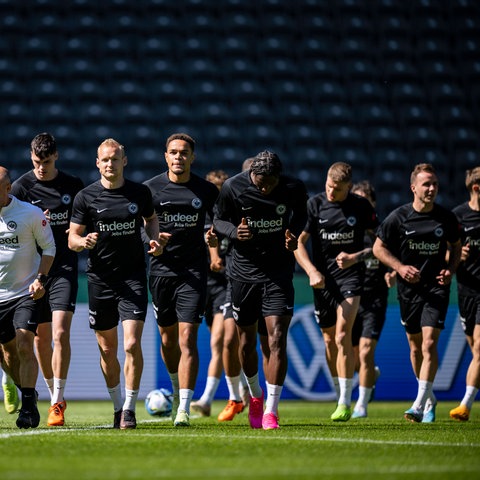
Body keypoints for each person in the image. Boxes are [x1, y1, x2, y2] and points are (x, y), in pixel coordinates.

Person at [68, 138, 162, 429]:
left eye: (115, 159)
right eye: (105, 160)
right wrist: (84, 241)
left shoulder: (140, 193)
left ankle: (131, 410)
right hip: (100, 279)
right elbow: (71, 239)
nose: (110, 164)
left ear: (125, 161)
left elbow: (151, 220)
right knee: (108, 350)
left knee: (132, 344)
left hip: (132, 277)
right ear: (98, 163)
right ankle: (118, 405)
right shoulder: (85, 197)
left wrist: (154, 240)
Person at [213, 150, 308, 430]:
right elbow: (218, 220)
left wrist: (293, 235)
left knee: (277, 338)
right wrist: (233, 232)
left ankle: (271, 410)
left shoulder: (293, 187)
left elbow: (301, 215)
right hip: (243, 274)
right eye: (260, 181)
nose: (264, 187)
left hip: (278, 273)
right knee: (246, 343)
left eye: (270, 182)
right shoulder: (233, 186)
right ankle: (255, 397)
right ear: (251, 174)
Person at [373, 163, 462, 423]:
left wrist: (450, 270)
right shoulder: (398, 218)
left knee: (429, 343)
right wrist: (399, 267)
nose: (432, 188)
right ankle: (430, 397)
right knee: (415, 348)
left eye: (435, 184)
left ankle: (419, 403)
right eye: (426, 184)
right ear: (414, 187)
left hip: (436, 288)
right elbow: (379, 249)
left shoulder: (446, 218)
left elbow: (456, 246)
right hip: (408, 291)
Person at [144, 133, 219, 427]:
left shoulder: (205, 190)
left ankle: (184, 408)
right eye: (173, 152)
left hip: (193, 272)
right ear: (166, 156)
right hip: (161, 272)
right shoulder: (150, 189)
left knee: (188, 337)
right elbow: (141, 227)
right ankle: (175, 388)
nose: (178, 157)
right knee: (168, 339)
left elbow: (219, 220)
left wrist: (215, 235)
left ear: (192, 157)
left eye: (184, 153)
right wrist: (152, 243)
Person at [294, 162, 379, 422]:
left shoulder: (360, 207)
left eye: (338, 189)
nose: (332, 192)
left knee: (343, 335)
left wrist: (355, 257)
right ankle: (338, 389)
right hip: (322, 281)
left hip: (351, 278)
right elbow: (298, 243)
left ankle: (345, 401)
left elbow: (379, 244)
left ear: (349, 188)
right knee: (329, 341)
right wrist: (311, 272)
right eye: (329, 186)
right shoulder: (314, 205)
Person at [10, 132, 84, 426]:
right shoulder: (22, 188)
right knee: (40, 341)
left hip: (64, 268)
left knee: (60, 333)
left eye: (48, 161)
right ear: (32, 158)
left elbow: (82, 222)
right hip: (32, 273)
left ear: (56, 157)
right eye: (38, 162)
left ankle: (57, 402)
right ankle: (51, 391)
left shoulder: (72, 186)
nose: (42, 167)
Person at [0, 166, 55, 429]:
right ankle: (24, 390)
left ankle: (30, 407)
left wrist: (40, 280)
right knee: (8, 356)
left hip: (25, 292)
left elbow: (49, 247)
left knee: (24, 343)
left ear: (8, 188)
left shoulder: (30, 214)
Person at [350, 180, 396, 418]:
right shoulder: (348, 231)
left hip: (375, 299)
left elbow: (396, 258)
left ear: (373, 204)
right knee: (354, 355)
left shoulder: (384, 230)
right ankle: (370, 375)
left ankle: (362, 404)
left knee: (366, 352)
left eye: (364, 201)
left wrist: (393, 273)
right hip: (350, 299)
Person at [191, 170, 230, 417]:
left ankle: (206, 400)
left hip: (227, 285)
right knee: (227, 346)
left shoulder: (231, 215)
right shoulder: (199, 215)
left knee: (220, 341)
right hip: (202, 285)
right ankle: (243, 393)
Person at [450, 166, 480, 421]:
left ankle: (465, 405)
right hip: (466, 290)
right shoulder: (457, 217)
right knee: (475, 352)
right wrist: (456, 256)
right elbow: (443, 255)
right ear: (476, 189)